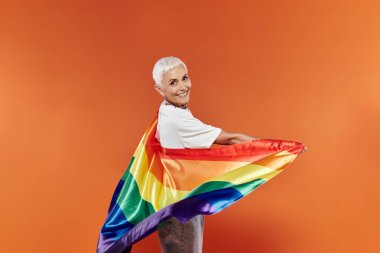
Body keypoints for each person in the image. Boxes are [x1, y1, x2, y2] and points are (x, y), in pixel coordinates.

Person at [153, 56, 298, 253]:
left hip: (176, 203)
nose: (183, 87)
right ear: (160, 90)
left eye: (184, 78)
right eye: (173, 82)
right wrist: (280, 148)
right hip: (181, 209)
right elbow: (231, 140)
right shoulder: (178, 121)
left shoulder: (166, 110)